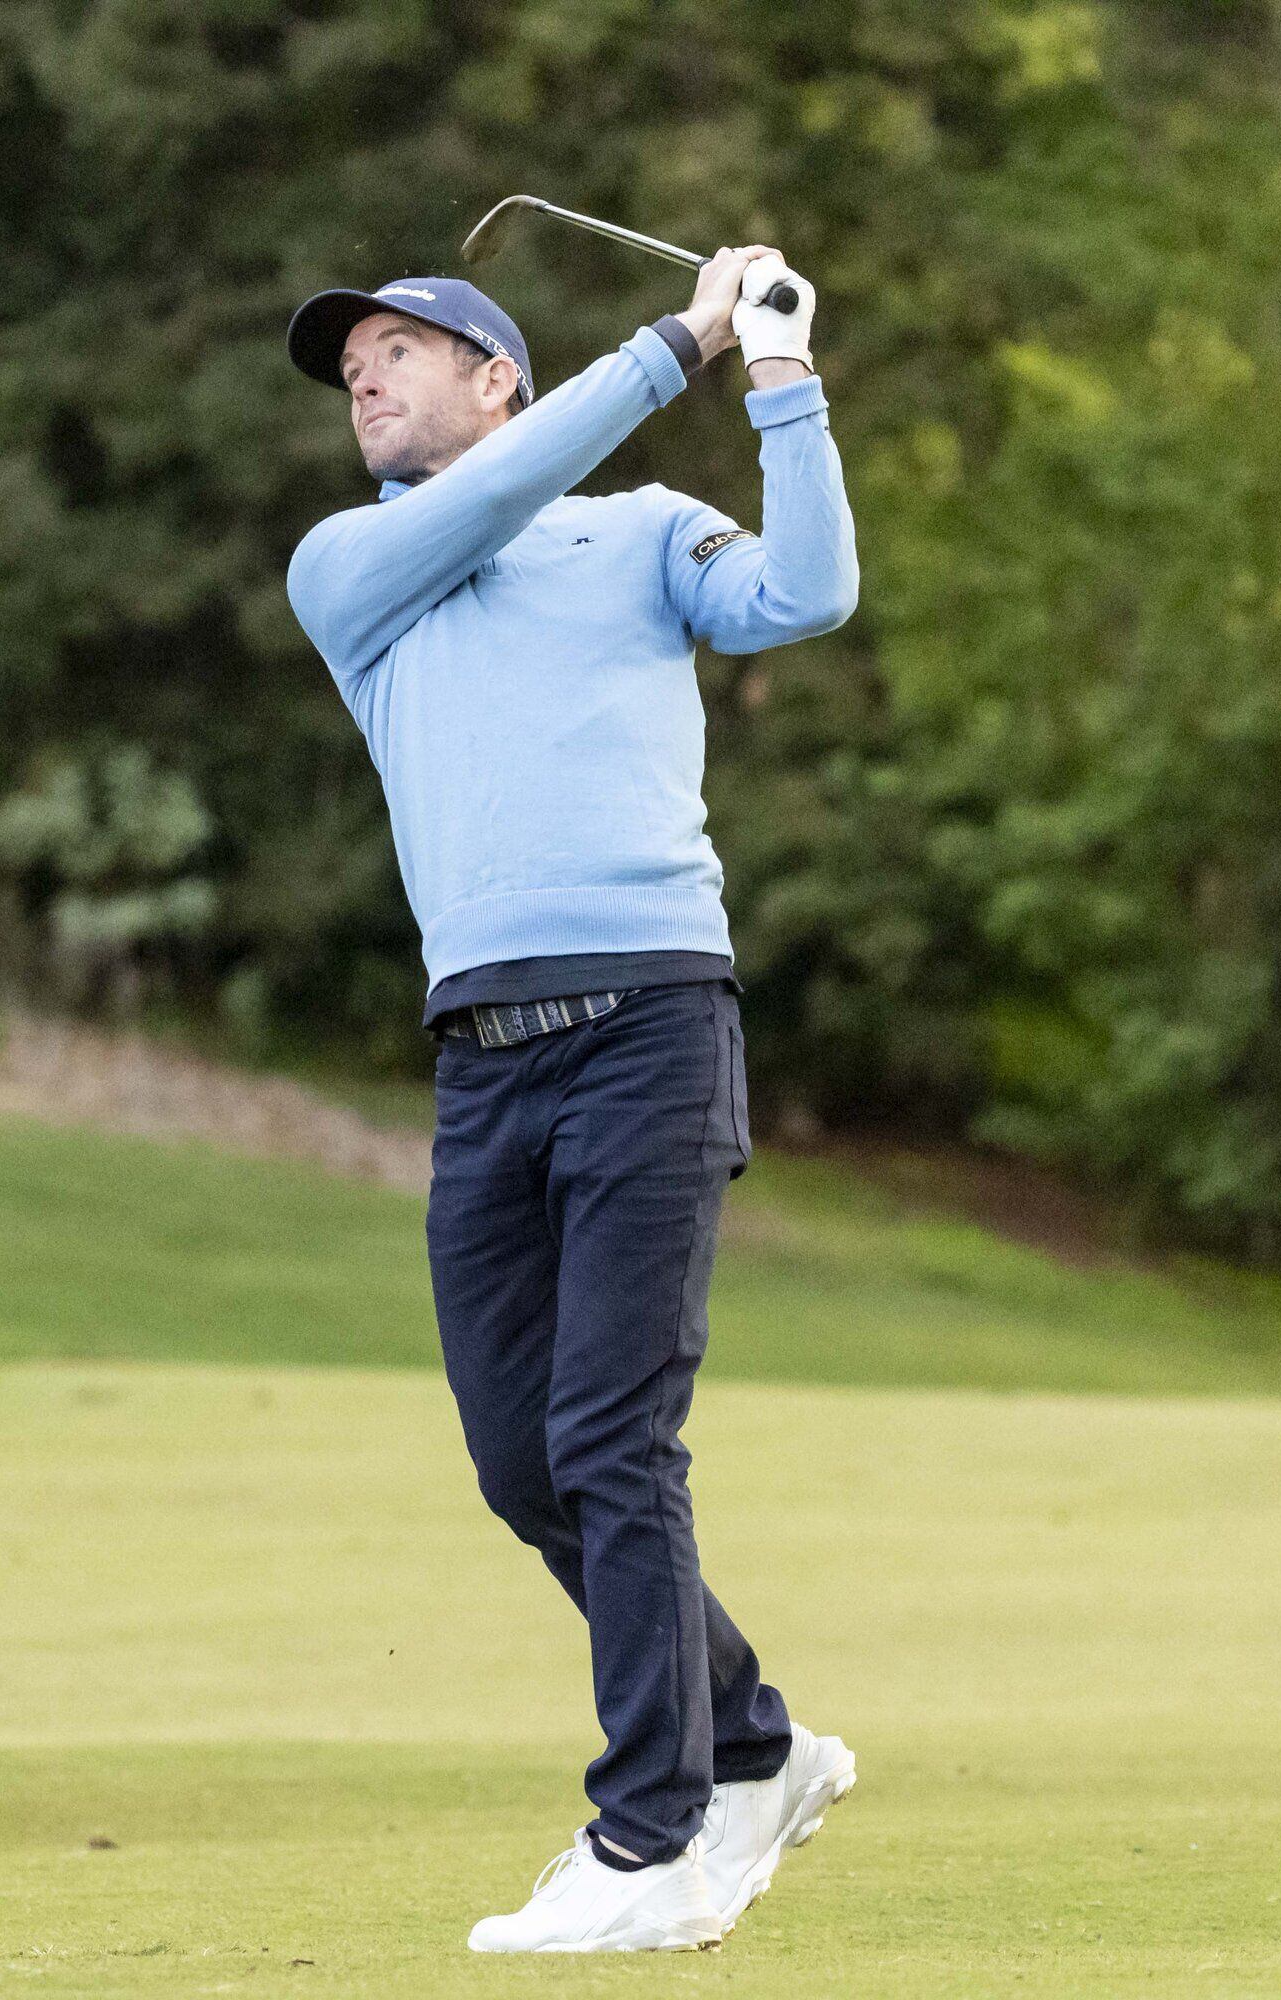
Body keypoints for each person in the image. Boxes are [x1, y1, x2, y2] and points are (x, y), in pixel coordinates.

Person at [282, 251, 860, 1951]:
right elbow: (502, 498)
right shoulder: (351, 567)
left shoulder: (640, 530)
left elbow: (808, 595)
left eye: (405, 352)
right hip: (483, 1061)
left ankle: (650, 1845)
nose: (366, 380)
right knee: (526, 1462)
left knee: (611, 1433)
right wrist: (665, 345)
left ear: (502, 385)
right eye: (353, 366)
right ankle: (754, 1745)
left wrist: (775, 381)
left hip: (652, 1025)